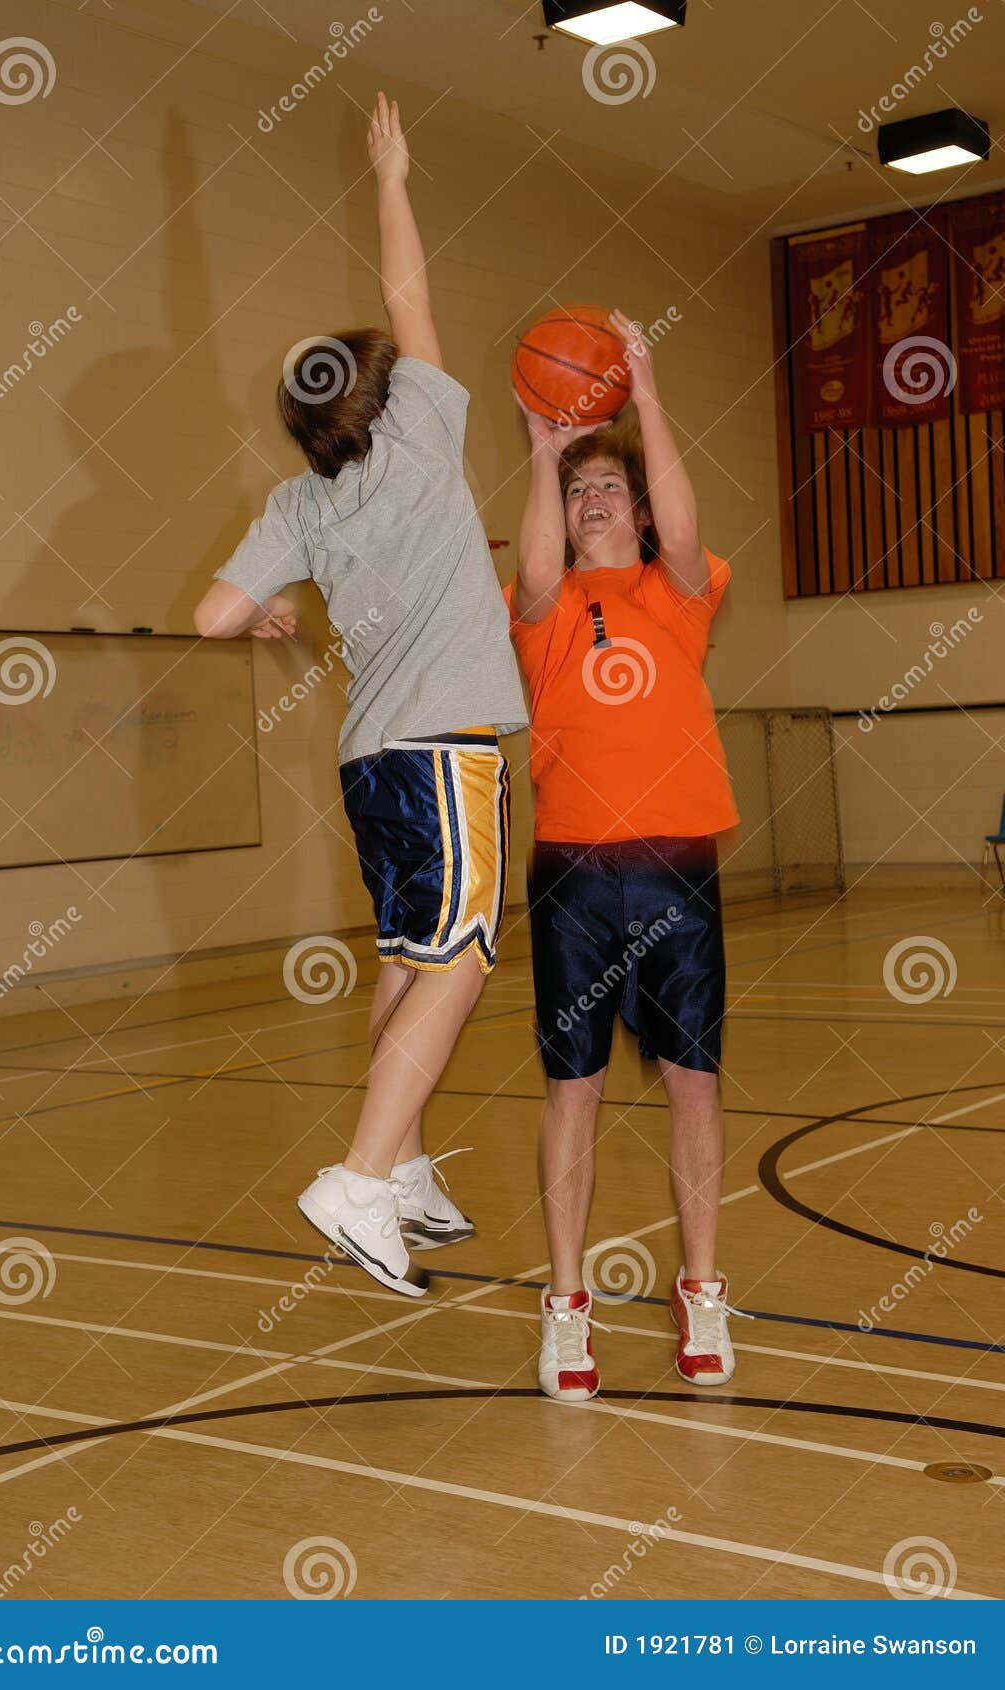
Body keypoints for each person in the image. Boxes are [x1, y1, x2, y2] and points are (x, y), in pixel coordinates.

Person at [195, 93, 527, 1298]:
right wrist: (391, 175)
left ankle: (404, 1170)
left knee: (404, 953)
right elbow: (408, 297)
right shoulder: (425, 438)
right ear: (379, 402)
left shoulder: (298, 505)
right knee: (461, 960)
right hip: (446, 748)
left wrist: (276, 610)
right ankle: (359, 1173)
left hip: (368, 760)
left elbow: (213, 618)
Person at [507, 310, 745, 1399]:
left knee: (694, 1087)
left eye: (611, 491)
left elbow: (689, 533)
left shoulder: (675, 594)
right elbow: (534, 564)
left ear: (639, 514)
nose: (592, 501)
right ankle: (567, 1309)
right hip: (573, 875)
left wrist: (643, 398)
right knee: (576, 1090)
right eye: (576, 493)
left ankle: (701, 1290)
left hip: (677, 867)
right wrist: (546, 449)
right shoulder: (543, 609)